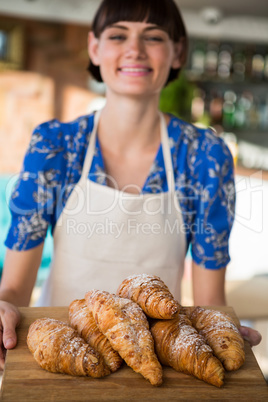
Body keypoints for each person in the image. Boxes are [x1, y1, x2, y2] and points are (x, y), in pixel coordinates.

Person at [0, 0, 261, 369]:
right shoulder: (56, 147)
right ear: (95, 47)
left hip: (160, 362)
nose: (134, 50)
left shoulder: (203, 157)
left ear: (177, 52)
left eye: (153, 37)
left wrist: (220, 330)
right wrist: (4, 309)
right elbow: (14, 289)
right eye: (118, 35)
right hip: (63, 360)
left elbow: (209, 301)